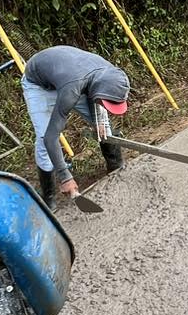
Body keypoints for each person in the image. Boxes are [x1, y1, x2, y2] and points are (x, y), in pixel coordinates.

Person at [11, 45, 129, 202]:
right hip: (39, 86)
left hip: (72, 77)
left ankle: (115, 168)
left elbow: (94, 91)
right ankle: (49, 198)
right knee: (43, 138)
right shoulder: (73, 88)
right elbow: (50, 138)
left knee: (103, 126)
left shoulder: (108, 73)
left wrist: (98, 121)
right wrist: (64, 175)